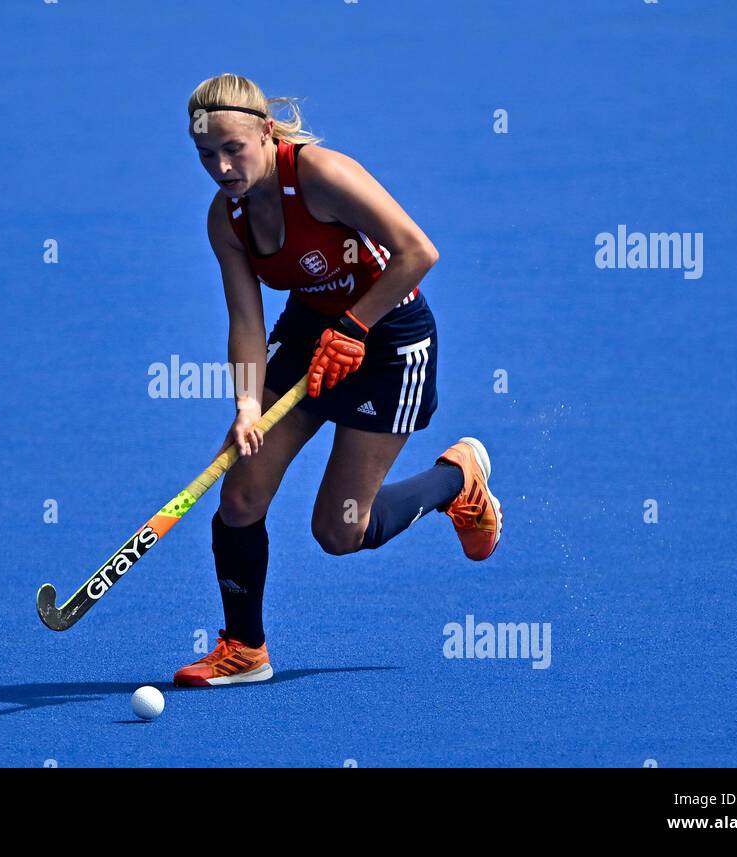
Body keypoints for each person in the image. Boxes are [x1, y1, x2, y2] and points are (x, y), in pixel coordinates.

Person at [173, 74, 503, 688]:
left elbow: (416, 252)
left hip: (389, 341)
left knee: (338, 531)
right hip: (306, 335)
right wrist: (248, 405)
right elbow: (245, 320)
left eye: (233, 149)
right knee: (240, 495)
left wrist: (355, 327)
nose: (221, 167)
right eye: (205, 155)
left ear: (266, 133)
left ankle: (456, 478)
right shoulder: (227, 220)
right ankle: (244, 648)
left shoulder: (320, 175)